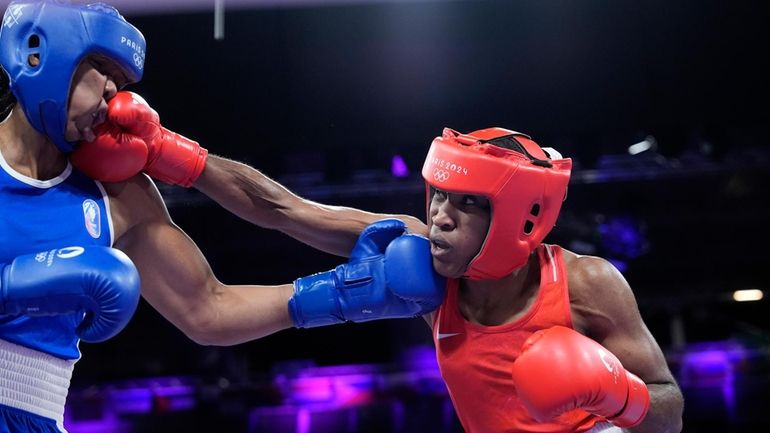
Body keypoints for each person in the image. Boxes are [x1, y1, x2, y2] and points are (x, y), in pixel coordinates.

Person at [73, 88, 685, 432]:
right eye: (437, 195)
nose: (440, 215)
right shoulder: (422, 263)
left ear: (519, 217)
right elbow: (281, 209)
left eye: (464, 204)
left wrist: (616, 396)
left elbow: (670, 408)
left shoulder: (586, 283)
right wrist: (167, 153)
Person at [0, 1, 444, 432]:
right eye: (102, 68)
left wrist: (339, 294)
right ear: (39, 55)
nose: (117, 93)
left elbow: (208, 309)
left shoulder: (115, 195)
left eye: (122, 80)